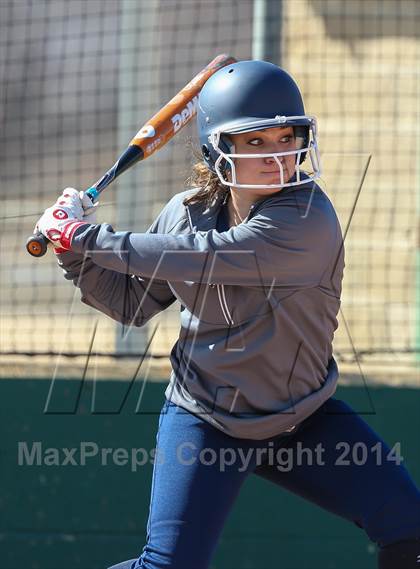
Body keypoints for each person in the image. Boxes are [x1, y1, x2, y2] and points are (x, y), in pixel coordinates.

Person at [35, 60, 420, 569]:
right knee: (168, 565)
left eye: (286, 136)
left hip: (302, 420)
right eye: (255, 142)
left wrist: (87, 237)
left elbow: (212, 256)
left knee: (411, 532)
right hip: (205, 420)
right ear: (221, 150)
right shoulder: (185, 212)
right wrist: (70, 251)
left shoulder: (308, 218)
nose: (277, 154)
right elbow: (130, 302)